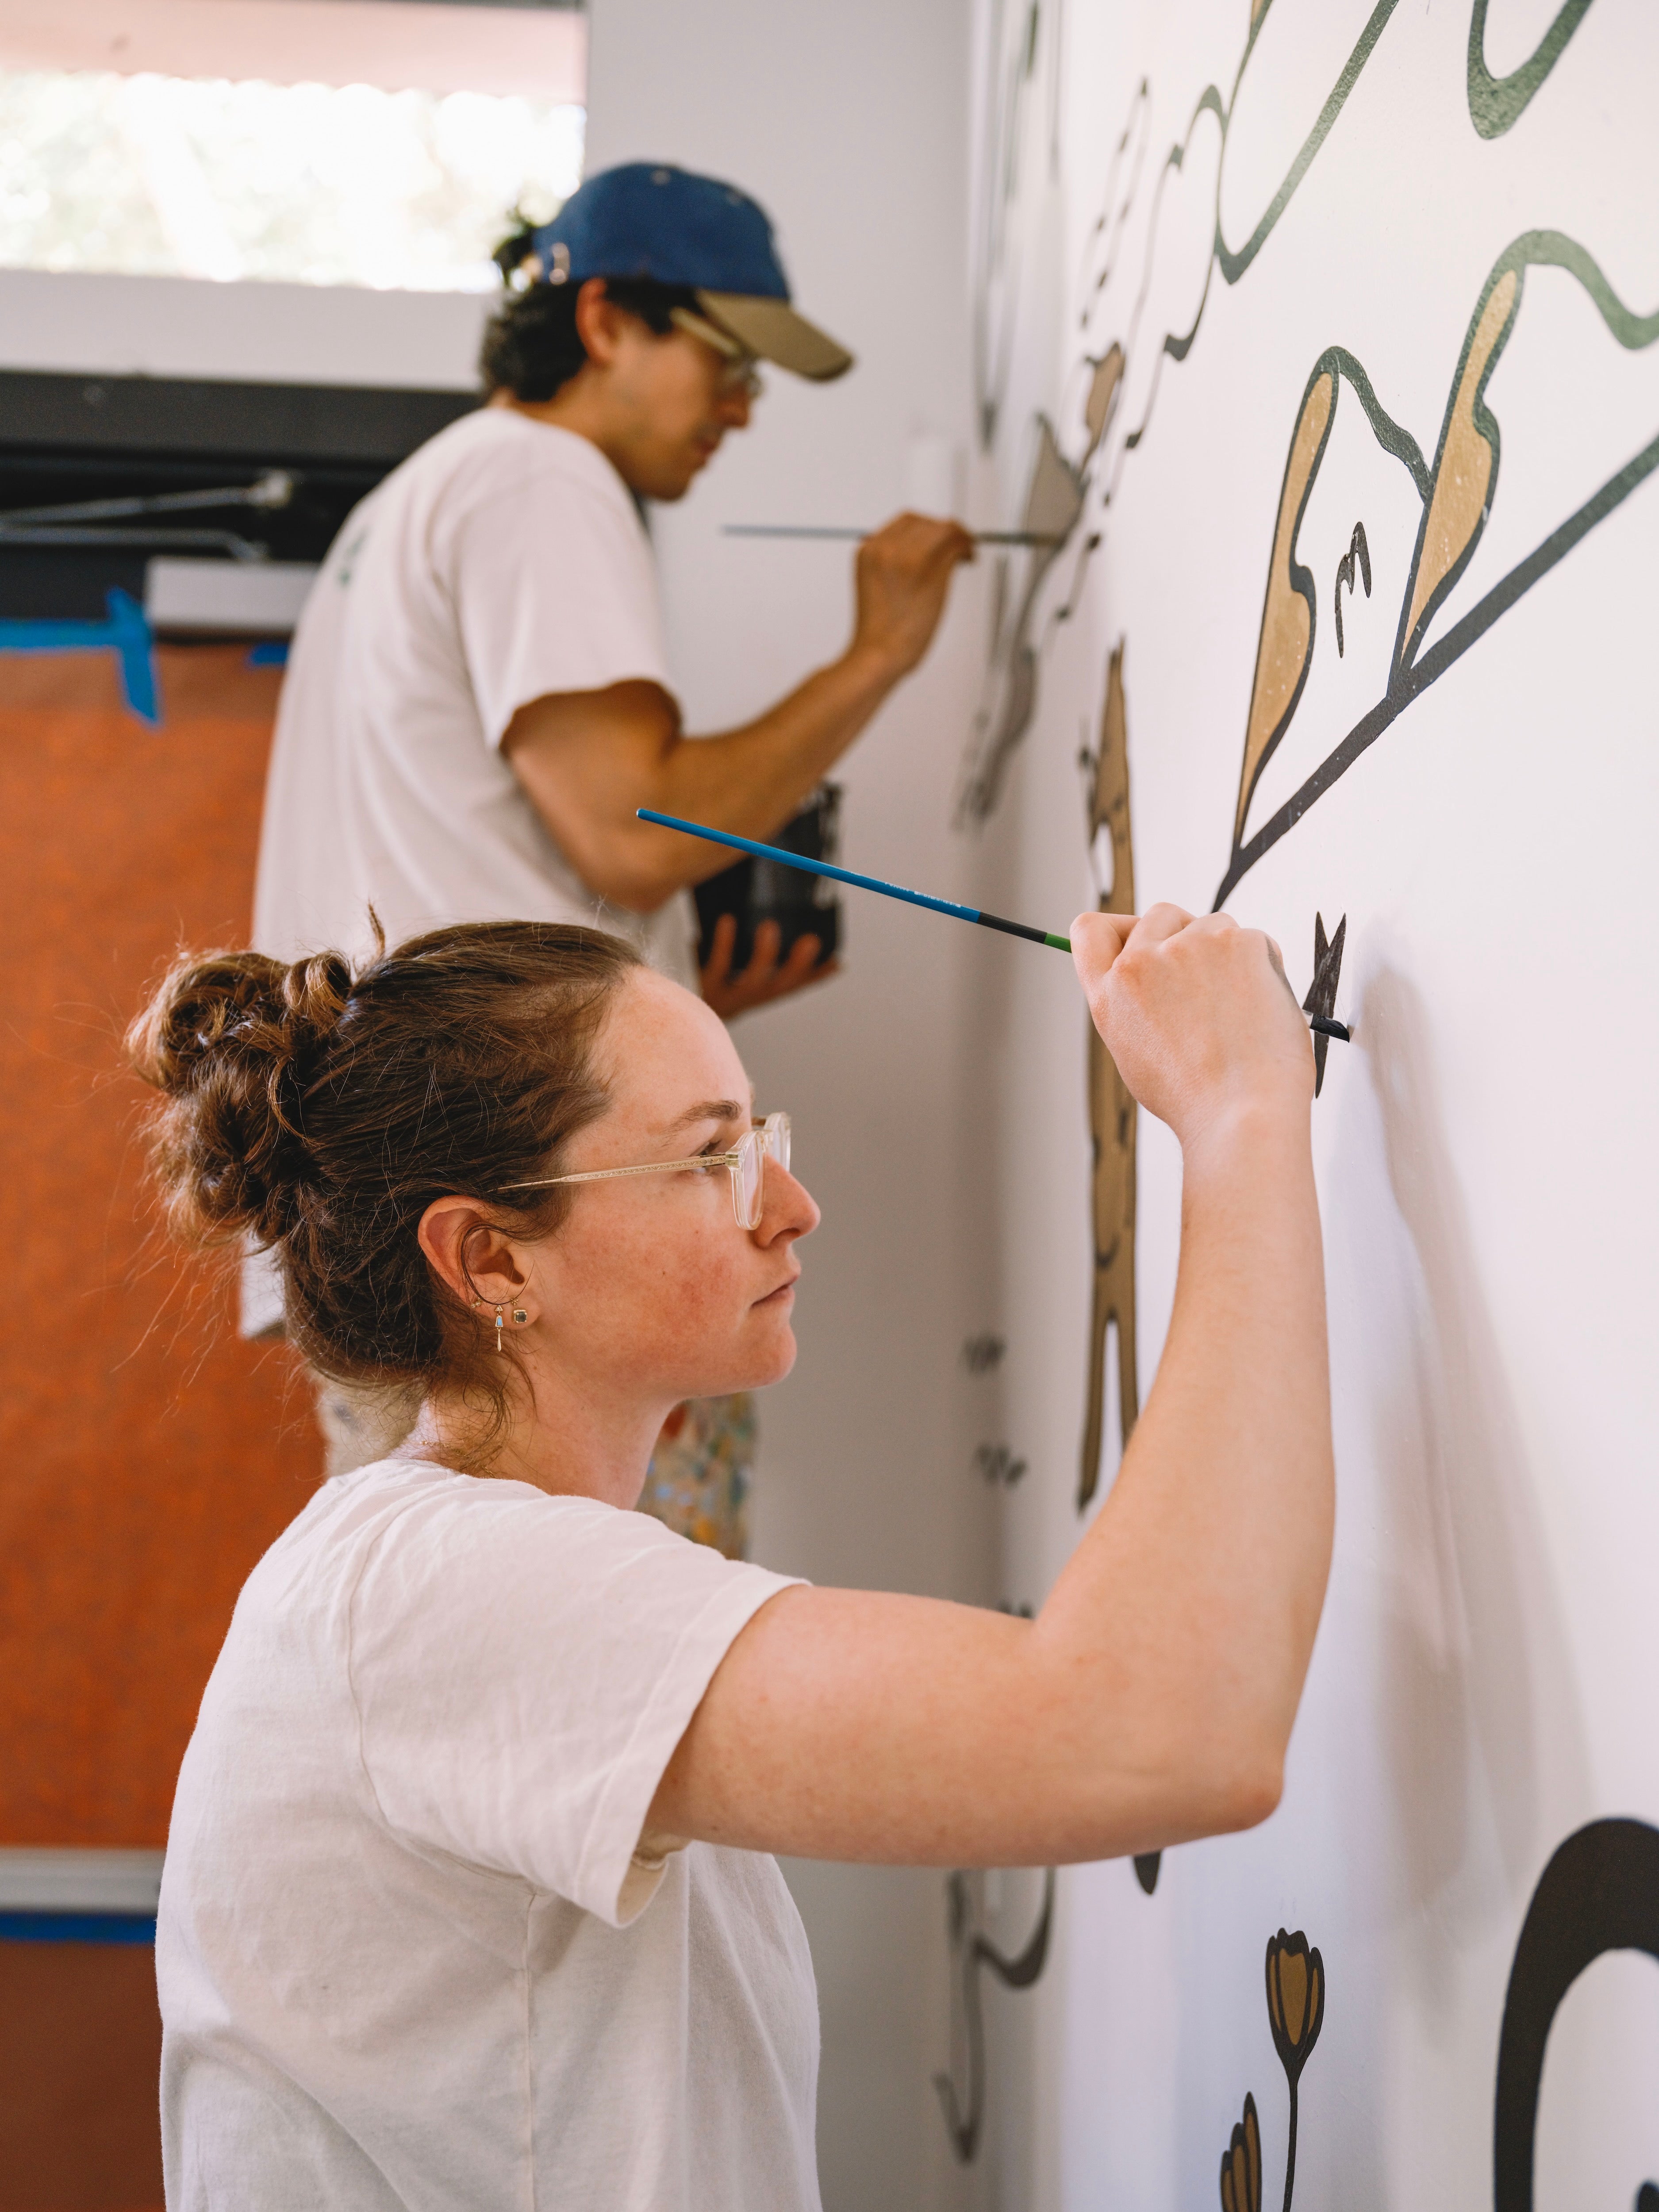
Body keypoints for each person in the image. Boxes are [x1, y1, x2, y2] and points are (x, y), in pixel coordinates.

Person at [129, 899, 1334, 2211]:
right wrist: (1239, 1119)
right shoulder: (444, 1588)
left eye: (759, 1141)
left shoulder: (450, 1567)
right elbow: (1160, 1731)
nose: (794, 1207)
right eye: (711, 1160)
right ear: (490, 1260)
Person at [247, 161, 974, 1540]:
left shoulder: (411, 501)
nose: (744, 407)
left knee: (458, 1630)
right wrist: (881, 652)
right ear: (603, 324)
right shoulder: (540, 477)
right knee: (613, 1641)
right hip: (543, 1217)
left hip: (443, 1194)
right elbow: (633, 832)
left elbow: (480, 859)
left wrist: (660, 1007)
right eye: (727, 361)